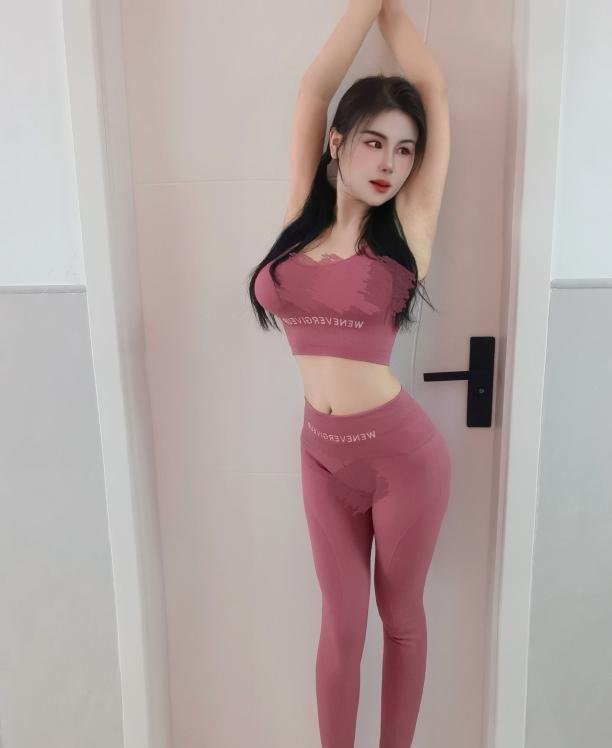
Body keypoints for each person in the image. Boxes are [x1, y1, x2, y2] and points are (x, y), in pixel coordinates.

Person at [249, 1, 451, 745]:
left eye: (404, 151)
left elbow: (433, 90)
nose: (389, 164)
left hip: (402, 458)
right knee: (340, 625)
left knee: (400, 620)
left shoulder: (409, 232)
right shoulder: (298, 220)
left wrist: (398, 22)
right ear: (337, 143)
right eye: (373, 142)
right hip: (320, 455)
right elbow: (313, 87)